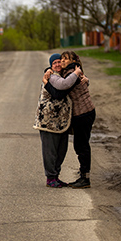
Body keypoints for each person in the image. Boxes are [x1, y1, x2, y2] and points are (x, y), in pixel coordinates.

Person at [43, 50, 95, 188]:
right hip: (82, 114)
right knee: (80, 146)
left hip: (83, 113)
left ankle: (85, 178)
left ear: (73, 61)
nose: (62, 62)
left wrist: (46, 82)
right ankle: (83, 175)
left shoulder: (72, 72)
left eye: (64, 59)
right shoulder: (69, 72)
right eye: (60, 60)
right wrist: (48, 71)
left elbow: (62, 89)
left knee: (81, 146)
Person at [34, 53, 79, 188]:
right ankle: (50, 177)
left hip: (61, 122)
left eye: (60, 62)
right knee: (50, 151)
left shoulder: (63, 76)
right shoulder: (52, 77)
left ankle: (56, 176)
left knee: (61, 150)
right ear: (51, 66)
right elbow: (58, 94)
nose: (58, 64)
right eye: (55, 63)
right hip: (48, 121)